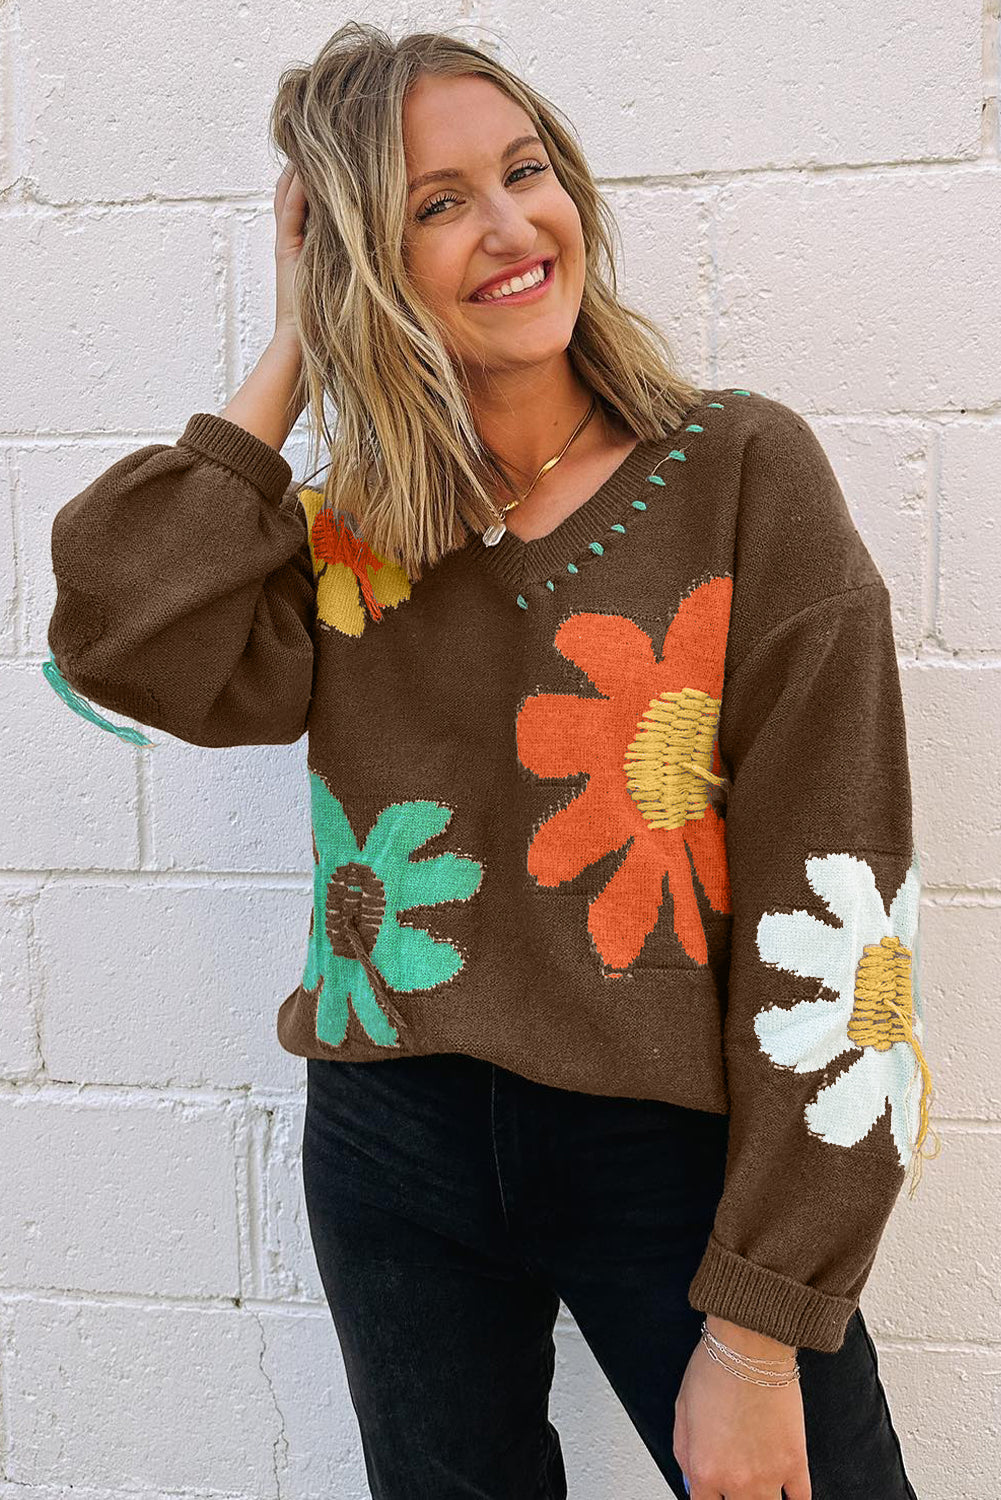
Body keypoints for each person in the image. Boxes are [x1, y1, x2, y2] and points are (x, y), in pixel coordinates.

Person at [44, 21, 937, 1500]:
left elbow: (839, 902)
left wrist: (763, 1327)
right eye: (436, 204)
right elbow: (117, 633)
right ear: (363, 260)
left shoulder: (738, 471)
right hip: (391, 1143)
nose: (512, 227)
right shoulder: (353, 535)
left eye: (526, 173)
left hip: (671, 1151)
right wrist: (292, 346)